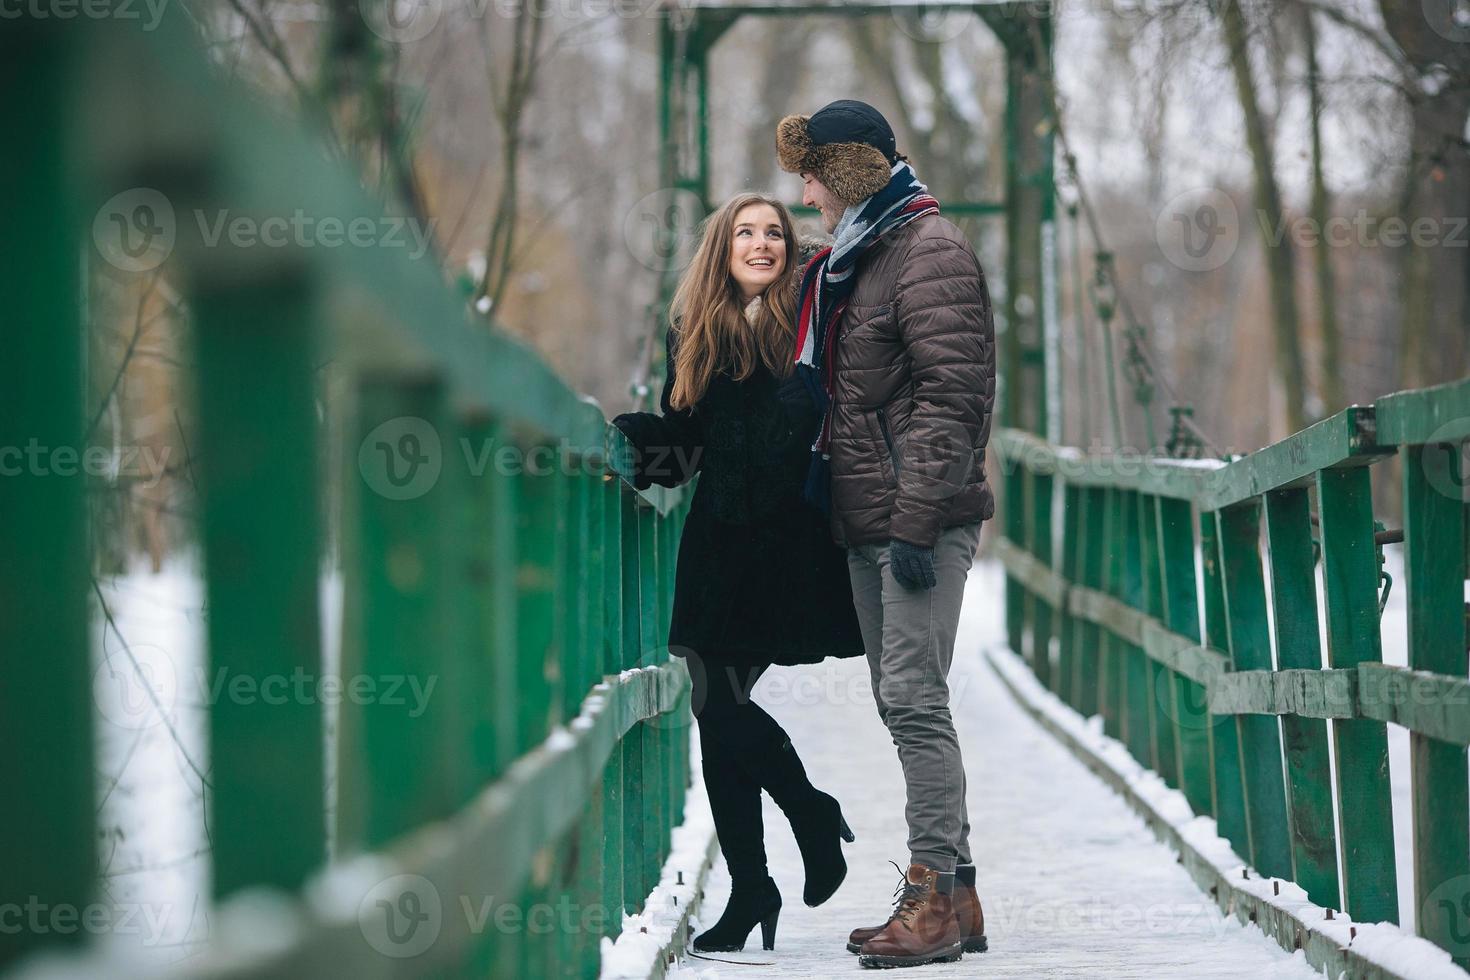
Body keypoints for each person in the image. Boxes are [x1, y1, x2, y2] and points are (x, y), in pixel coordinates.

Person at [611, 192, 865, 953]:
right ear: (722, 247)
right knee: (715, 713)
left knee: (720, 712)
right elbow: (686, 444)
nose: (761, 244)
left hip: (788, 546)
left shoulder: (811, 323)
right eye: (745, 233)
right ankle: (769, 866)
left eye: (774, 234)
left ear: (790, 248)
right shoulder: (692, 329)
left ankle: (788, 844)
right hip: (717, 545)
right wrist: (626, 442)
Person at [775, 99, 995, 969]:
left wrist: (915, 522)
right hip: (870, 517)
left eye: (814, 174)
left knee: (911, 701)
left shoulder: (928, 251)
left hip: (920, 523)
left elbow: (955, 397)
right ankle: (962, 894)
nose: (805, 191)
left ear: (849, 173)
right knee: (903, 700)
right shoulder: (857, 259)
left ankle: (932, 898)